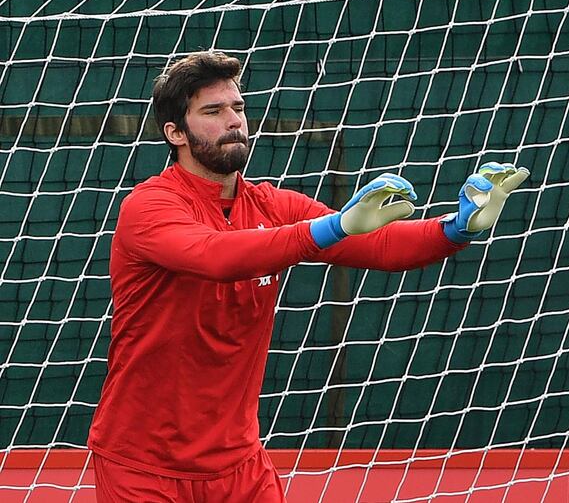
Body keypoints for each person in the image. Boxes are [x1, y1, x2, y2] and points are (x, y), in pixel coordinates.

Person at [87, 50, 528, 502]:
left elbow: (380, 244)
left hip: (241, 465)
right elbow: (215, 255)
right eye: (213, 112)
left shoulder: (270, 205)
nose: (233, 121)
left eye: (237, 108)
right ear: (175, 132)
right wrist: (330, 228)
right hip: (143, 468)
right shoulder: (149, 206)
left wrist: (456, 227)